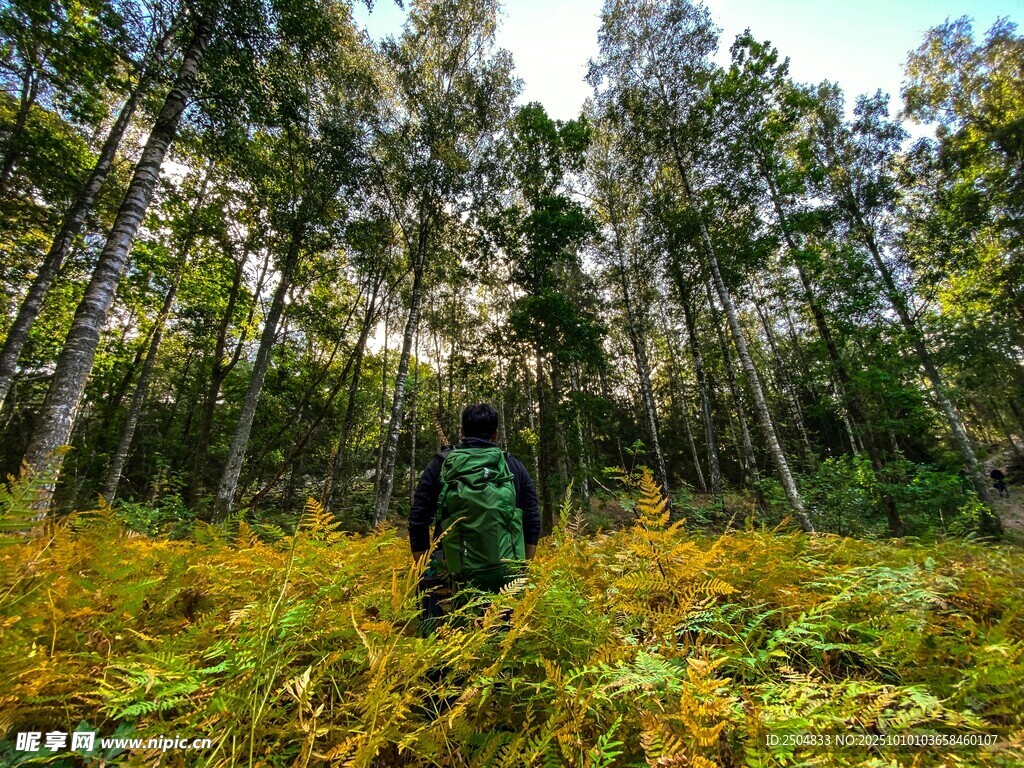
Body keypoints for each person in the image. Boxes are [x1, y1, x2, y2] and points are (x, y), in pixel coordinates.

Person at [409, 403, 540, 623]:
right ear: (495, 433)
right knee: (499, 642)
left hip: (448, 570)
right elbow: (532, 519)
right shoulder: (512, 467)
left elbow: (418, 519)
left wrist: (426, 568)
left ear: (462, 432)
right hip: (504, 571)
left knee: (441, 644)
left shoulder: (441, 464)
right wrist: (521, 567)